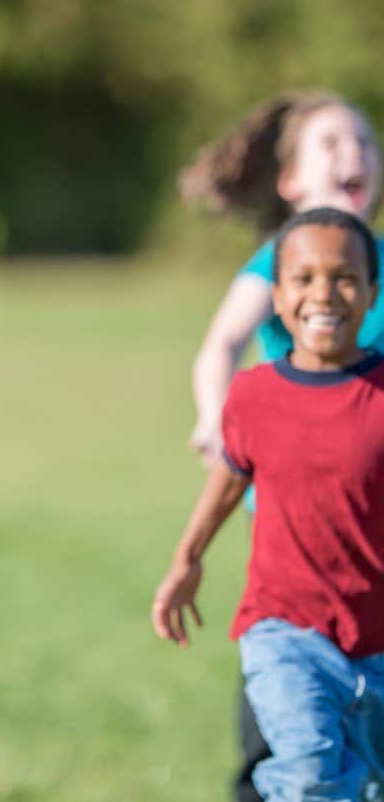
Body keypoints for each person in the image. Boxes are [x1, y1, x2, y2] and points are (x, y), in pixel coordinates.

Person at [180, 89, 384, 801]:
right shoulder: (278, 259)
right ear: (291, 180)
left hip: (371, 505)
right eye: (332, 143)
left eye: (364, 141)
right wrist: (213, 418)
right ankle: (263, 783)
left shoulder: (380, 262)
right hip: (291, 502)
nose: (353, 154)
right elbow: (222, 343)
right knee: (288, 643)